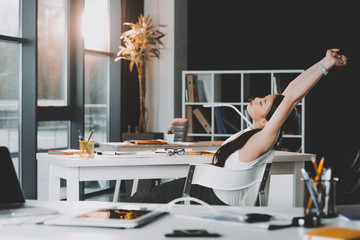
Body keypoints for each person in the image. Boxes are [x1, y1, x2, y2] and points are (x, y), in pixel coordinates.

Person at [129, 49, 348, 206]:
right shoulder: (251, 133)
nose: (256, 98)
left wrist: (326, 67)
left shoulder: (263, 137)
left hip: (208, 197)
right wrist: (324, 60)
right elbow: (289, 90)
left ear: (267, 121)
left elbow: (290, 100)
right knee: (143, 199)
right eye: (262, 97)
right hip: (204, 188)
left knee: (138, 200)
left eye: (262, 102)